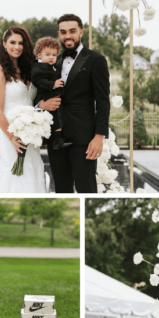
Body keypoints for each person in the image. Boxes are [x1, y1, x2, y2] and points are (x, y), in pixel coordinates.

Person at [42, 13, 110, 193]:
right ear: (59, 34)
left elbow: (103, 101)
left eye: (72, 31)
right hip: (56, 139)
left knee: (86, 189)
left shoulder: (96, 60)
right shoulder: (54, 61)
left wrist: (99, 136)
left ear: (81, 31)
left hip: (84, 139)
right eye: (63, 32)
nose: (68, 36)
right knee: (62, 190)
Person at [0, 26, 48, 193]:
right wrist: (12, 137)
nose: (17, 46)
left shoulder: (30, 70)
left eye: (21, 43)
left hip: (31, 130)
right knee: (14, 169)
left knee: (32, 166)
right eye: (12, 42)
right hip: (9, 131)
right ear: (4, 44)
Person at [31, 37, 71, 150]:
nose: (51, 57)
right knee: (56, 117)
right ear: (39, 55)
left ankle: (57, 139)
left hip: (53, 96)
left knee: (58, 117)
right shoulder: (37, 68)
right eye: (47, 54)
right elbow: (38, 80)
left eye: (54, 55)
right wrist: (53, 84)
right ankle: (57, 141)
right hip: (46, 97)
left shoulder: (50, 66)